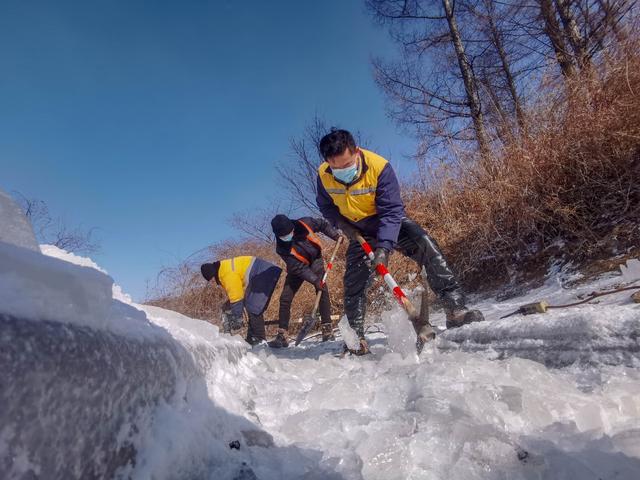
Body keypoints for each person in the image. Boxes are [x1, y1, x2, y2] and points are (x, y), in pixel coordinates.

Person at [315, 128, 484, 355]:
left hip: (389, 222)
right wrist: (341, 224)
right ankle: (356, 338)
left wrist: (384, 247)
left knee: (425, 244)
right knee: (353, 282)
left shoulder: (379, 167)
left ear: (356, 152)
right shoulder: (323, 175)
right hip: (358, 231)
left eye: (346, 165)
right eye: (336, 168)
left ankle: (455, 308)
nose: (341, 171)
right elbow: (326, 206)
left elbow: (392, 211)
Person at [268, 214, 342, 348]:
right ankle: (282, 335)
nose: (287, 237)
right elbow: (297, 268)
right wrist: (314, 280)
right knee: (285, 298)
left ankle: (327, 329)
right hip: (297, 267)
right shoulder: (281, 248)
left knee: (322, 288)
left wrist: (335, 235)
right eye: (283, 236)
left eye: (288, 233)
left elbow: (323, 224)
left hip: (315, 261)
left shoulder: (305, 223)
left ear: (292, 227)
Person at [201, 256, 281, 345]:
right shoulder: (224, 268)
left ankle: (259, 339)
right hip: (262, 272)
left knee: (253, 307)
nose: (213, 282)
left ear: (212, 274)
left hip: (263, 273)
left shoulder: (226, 273)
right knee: (250, 304)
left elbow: (236, 297)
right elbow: (238, 293)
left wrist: (236, 318)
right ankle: (251, 338)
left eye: (211, 279)